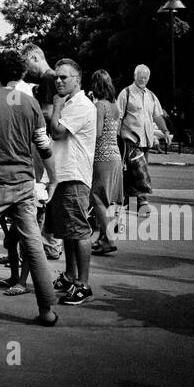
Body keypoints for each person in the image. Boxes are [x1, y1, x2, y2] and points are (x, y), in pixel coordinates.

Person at [0, 49, 59, 328]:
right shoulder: (30, 104)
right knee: (33, 243)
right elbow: (43, 146)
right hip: (24, 182)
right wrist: (52, 179)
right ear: (22, 73)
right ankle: (46, 309)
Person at [44, 59, 97, 305]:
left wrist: (56, 106)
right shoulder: (70, 103)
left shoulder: (80, 105)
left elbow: (56, 131)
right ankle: (70, 274)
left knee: (79, 231)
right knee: (67, 231)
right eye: (57, 76)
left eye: (65, 77)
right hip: (63, 174)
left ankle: (83, 284)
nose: (59, 80)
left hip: (74, 175)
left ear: (77, 79)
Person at [22, 44, 64, 261]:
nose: (26, 68)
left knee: (40, 191)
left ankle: (45, 244)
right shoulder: (51, 79)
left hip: (43, 141)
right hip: (48, 142)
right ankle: (48, 243)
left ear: (35, 56)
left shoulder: (48, 78)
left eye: (27, 62)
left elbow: (47, 112)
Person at [116, 64, 169, 218]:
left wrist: (165, 131)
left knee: (134, 172)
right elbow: (118, 117)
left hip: (146, 141)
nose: (143, 80)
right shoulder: (126, 93)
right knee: (138, 171)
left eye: (146, 77)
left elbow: (157, 115)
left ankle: (131, 203)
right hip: (130, 140)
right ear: (135, 76)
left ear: (149, 78)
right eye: (140, 77)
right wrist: (115, 138)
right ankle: (142, 201)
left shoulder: (151, 96)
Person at [89, 69, 123, 254]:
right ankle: (102, 237)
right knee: (107, 199)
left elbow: (97, 132)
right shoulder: (114, 104)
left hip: (102, 155)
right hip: (115, 155)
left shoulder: (100, 106)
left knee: (98, 197)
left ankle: (109, 239)